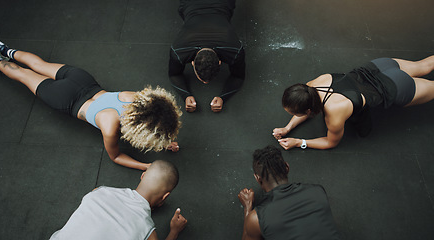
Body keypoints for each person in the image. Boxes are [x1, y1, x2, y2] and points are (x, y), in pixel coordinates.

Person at [0, 41, 183, 170]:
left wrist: (163, 141)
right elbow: (116, 156)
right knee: (24, 75)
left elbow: (150, 118)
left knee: (39, 65)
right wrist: (145, 166)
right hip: (65, 99)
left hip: (82, 80)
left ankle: (2, 49)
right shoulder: (111, 125)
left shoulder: (135, 97)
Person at [273, 56, 434, 150]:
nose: (294, 116)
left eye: (295, 113)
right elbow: (306, 105)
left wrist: (299, 142)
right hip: (379, 66)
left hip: (394, 86)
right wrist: (288, 128)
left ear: (308, 110)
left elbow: (330, 142)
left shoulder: (334, 114)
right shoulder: (312, 85)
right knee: (424, 65)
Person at [50, 160, 187, 240]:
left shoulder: (99, 191)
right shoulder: (147, 229)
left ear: (143, 175)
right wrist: (174, 231)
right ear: (165, 196)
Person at [238, 145, 339, 240]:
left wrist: (247, 207)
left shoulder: (257, 218)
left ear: (258, 179)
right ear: (287, 167)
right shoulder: (318, 191)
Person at [169, 0, 245, 113]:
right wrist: (185, 95)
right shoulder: (179, 50)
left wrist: (223, 97)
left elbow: (239, 77)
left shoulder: (235, 49)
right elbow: (174, 74)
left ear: (193, 63)